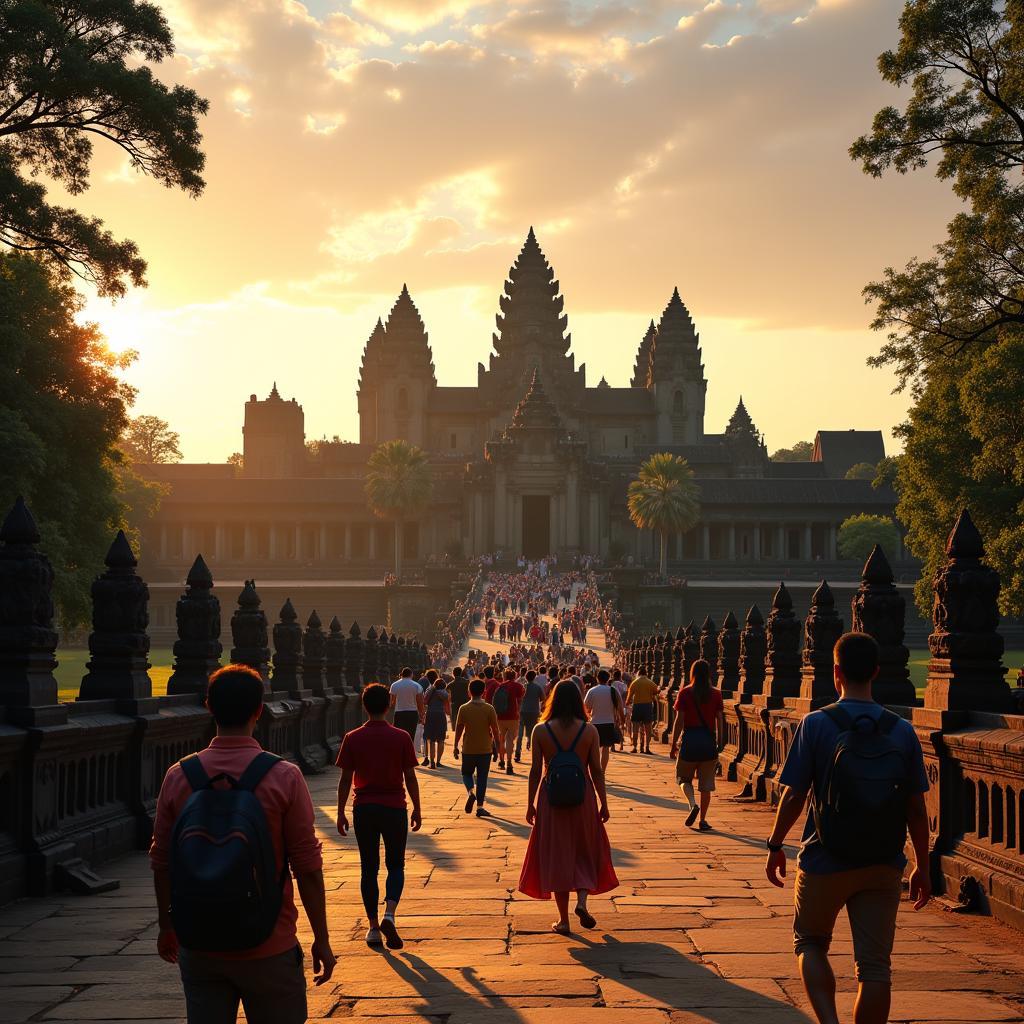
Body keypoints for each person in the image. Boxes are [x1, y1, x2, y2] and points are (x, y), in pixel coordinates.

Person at [150, 665, 335, 1024]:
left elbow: (161, 861)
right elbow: (308, 868)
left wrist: (165, 925)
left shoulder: (179, 776)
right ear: (258, 710)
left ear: (208, 707)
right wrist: (321, 939)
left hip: (200, 943)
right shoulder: (283, 776)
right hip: (270, 943)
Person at [764, 632, 931, 1024]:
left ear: (835, 672)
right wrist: (921, 865)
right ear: (875, 670)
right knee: (874, 967)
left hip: (825, 857)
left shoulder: (817, 724)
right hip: (882, 861)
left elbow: (794, 796)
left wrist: (774, 844)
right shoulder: (902, 730)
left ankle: (828, 1021)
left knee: (810, 942)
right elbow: (917, 809)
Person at [519, 680, 617, 934]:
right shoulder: (589, 731)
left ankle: (563, 920)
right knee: (584, 848)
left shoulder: (541, 730)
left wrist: (530, 803)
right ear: (577, 700)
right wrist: (604, 802)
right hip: (582, 795)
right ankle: (582, 902)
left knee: (558, 853)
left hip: (551, 798)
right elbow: (596, 771)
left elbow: (534, 771)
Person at [337, 683, 423, 951]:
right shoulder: (400, 737)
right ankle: (390, 914)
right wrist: (417, 807)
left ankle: (373, 928)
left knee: (368, 868)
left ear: (364, 706)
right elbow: (409, 776)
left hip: (364, 807)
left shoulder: (353, 737)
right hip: (394, 806)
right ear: (389, 705)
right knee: (396, 865)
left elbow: (345, 778)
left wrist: (340, 811)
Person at [669, 659, 724, 830]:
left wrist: (673, 744)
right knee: (706, 785)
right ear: (709, 673)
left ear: (692, 673)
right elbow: (720, 720)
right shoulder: (716, 693)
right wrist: (721, 743)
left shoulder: (685, 692)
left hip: (690, 741)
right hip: (708, 742)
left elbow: (679, 721)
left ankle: (692, 804)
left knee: (683, 779)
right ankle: (703, 820)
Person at [454, 677, 501, 818]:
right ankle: (480, 807)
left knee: (466, 773)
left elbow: (459, 728)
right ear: (484, 692)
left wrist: (455, 745)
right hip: (485, 749)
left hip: (468, 748)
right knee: (482, 778)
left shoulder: (464, 708)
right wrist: (497, 747)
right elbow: (495, 730)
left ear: (469, 691)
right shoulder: (489, 708)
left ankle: (470, 792)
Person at [583, 668, 622, 772]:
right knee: (605, 748)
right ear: (608, 678)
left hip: (595, 723)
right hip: (609, 722)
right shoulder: (613, 690)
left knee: (594, 748)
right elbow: (620, 707)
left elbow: (586, 708)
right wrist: (621, 721)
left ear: (597, 678)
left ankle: (594, 769)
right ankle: (602, 771)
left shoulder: (592, 691)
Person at [492, 668, 526, 774]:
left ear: (505, 676)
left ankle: (501, 760)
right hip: (513, 716)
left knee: (501, 739)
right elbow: (520, 699)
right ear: (515, 676)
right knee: (510, 739)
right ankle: (509, 763)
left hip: (500, 716)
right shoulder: (518, 686)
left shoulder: (500, 686)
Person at [515, 669, 544, 763]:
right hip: (534, 711)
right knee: (532, 732)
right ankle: (531, 748)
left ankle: (517, 753)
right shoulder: (537, 687)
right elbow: (542, 698)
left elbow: (518, 698)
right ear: (534, 677)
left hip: (523, 711)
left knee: (520, 734)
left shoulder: (523, 687)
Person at [626, 669, 658, 754]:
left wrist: (627, 703)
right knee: (648, 729)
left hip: (637, 707)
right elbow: (657, 690)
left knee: (635, 728)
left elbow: (628, 699)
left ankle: (635, 747)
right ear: (646, 674)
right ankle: (646, 747)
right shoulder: (650, 682)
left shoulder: (634, 683)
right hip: (647, 706)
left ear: (638, 674)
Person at [389, 667, 424, 744]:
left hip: (399, 713)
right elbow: (420, 703)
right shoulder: (417, 686)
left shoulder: (394, 685)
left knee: (399, 735)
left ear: (401, 675)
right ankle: (408, 752)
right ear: (411, 675)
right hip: (412, 713)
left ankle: (400, 752)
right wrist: (422, 715)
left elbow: (392, 703)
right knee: (410, 735)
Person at [423, 675, 451, 769]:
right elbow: (448, 709)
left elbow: (424, 701)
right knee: (441, 740)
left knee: (431, 740)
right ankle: (439, 761)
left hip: (430, 715)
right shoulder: (445, 694)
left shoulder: (430, 691)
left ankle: (432, 763)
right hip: (440, 716)